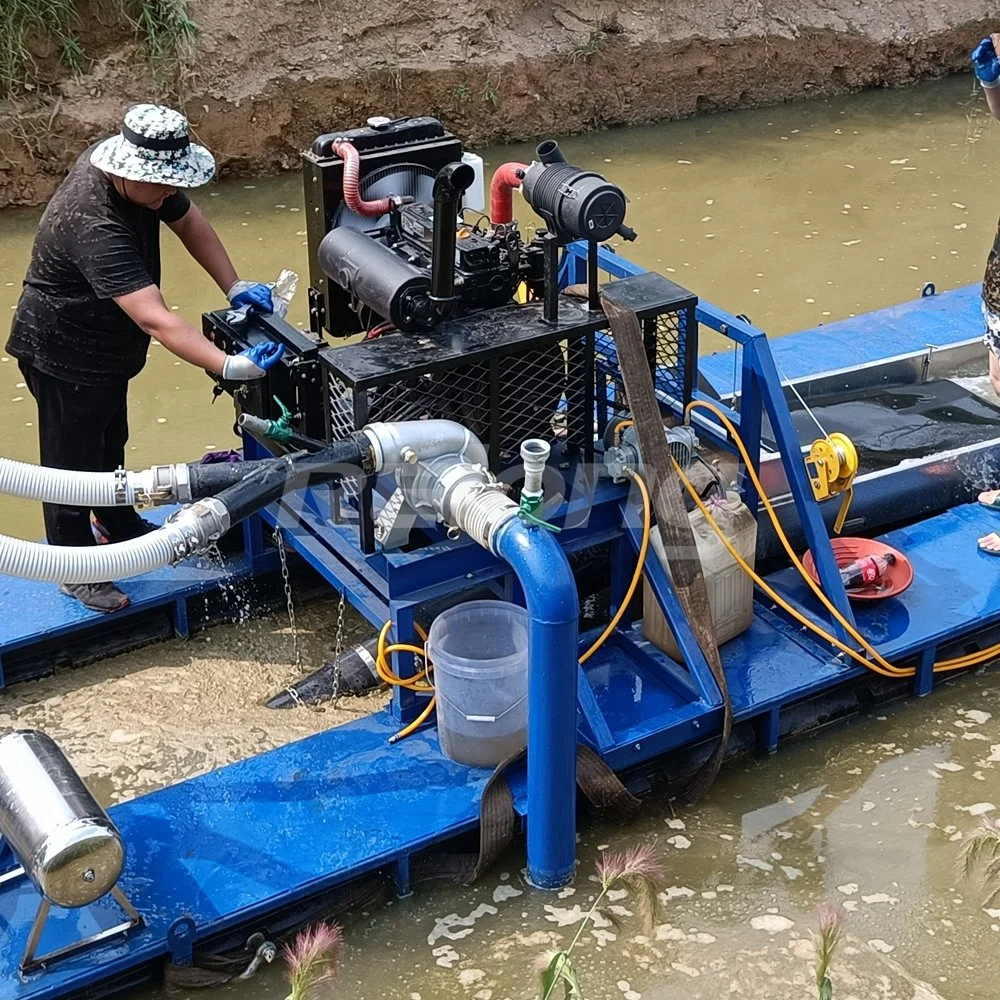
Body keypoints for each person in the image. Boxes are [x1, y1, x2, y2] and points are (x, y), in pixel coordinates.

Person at [6, 103, 286, 612]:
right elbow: (156, 319)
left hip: (108, 346)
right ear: (126, 172)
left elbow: (190, 221)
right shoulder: (92, 224)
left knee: (111, 439)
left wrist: (235, 283)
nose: (168, 193)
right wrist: (228, 365)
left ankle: (116, 520)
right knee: (70, 462)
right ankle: (75, 567)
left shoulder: (136, 176)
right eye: (160, 184)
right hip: (63, 350)